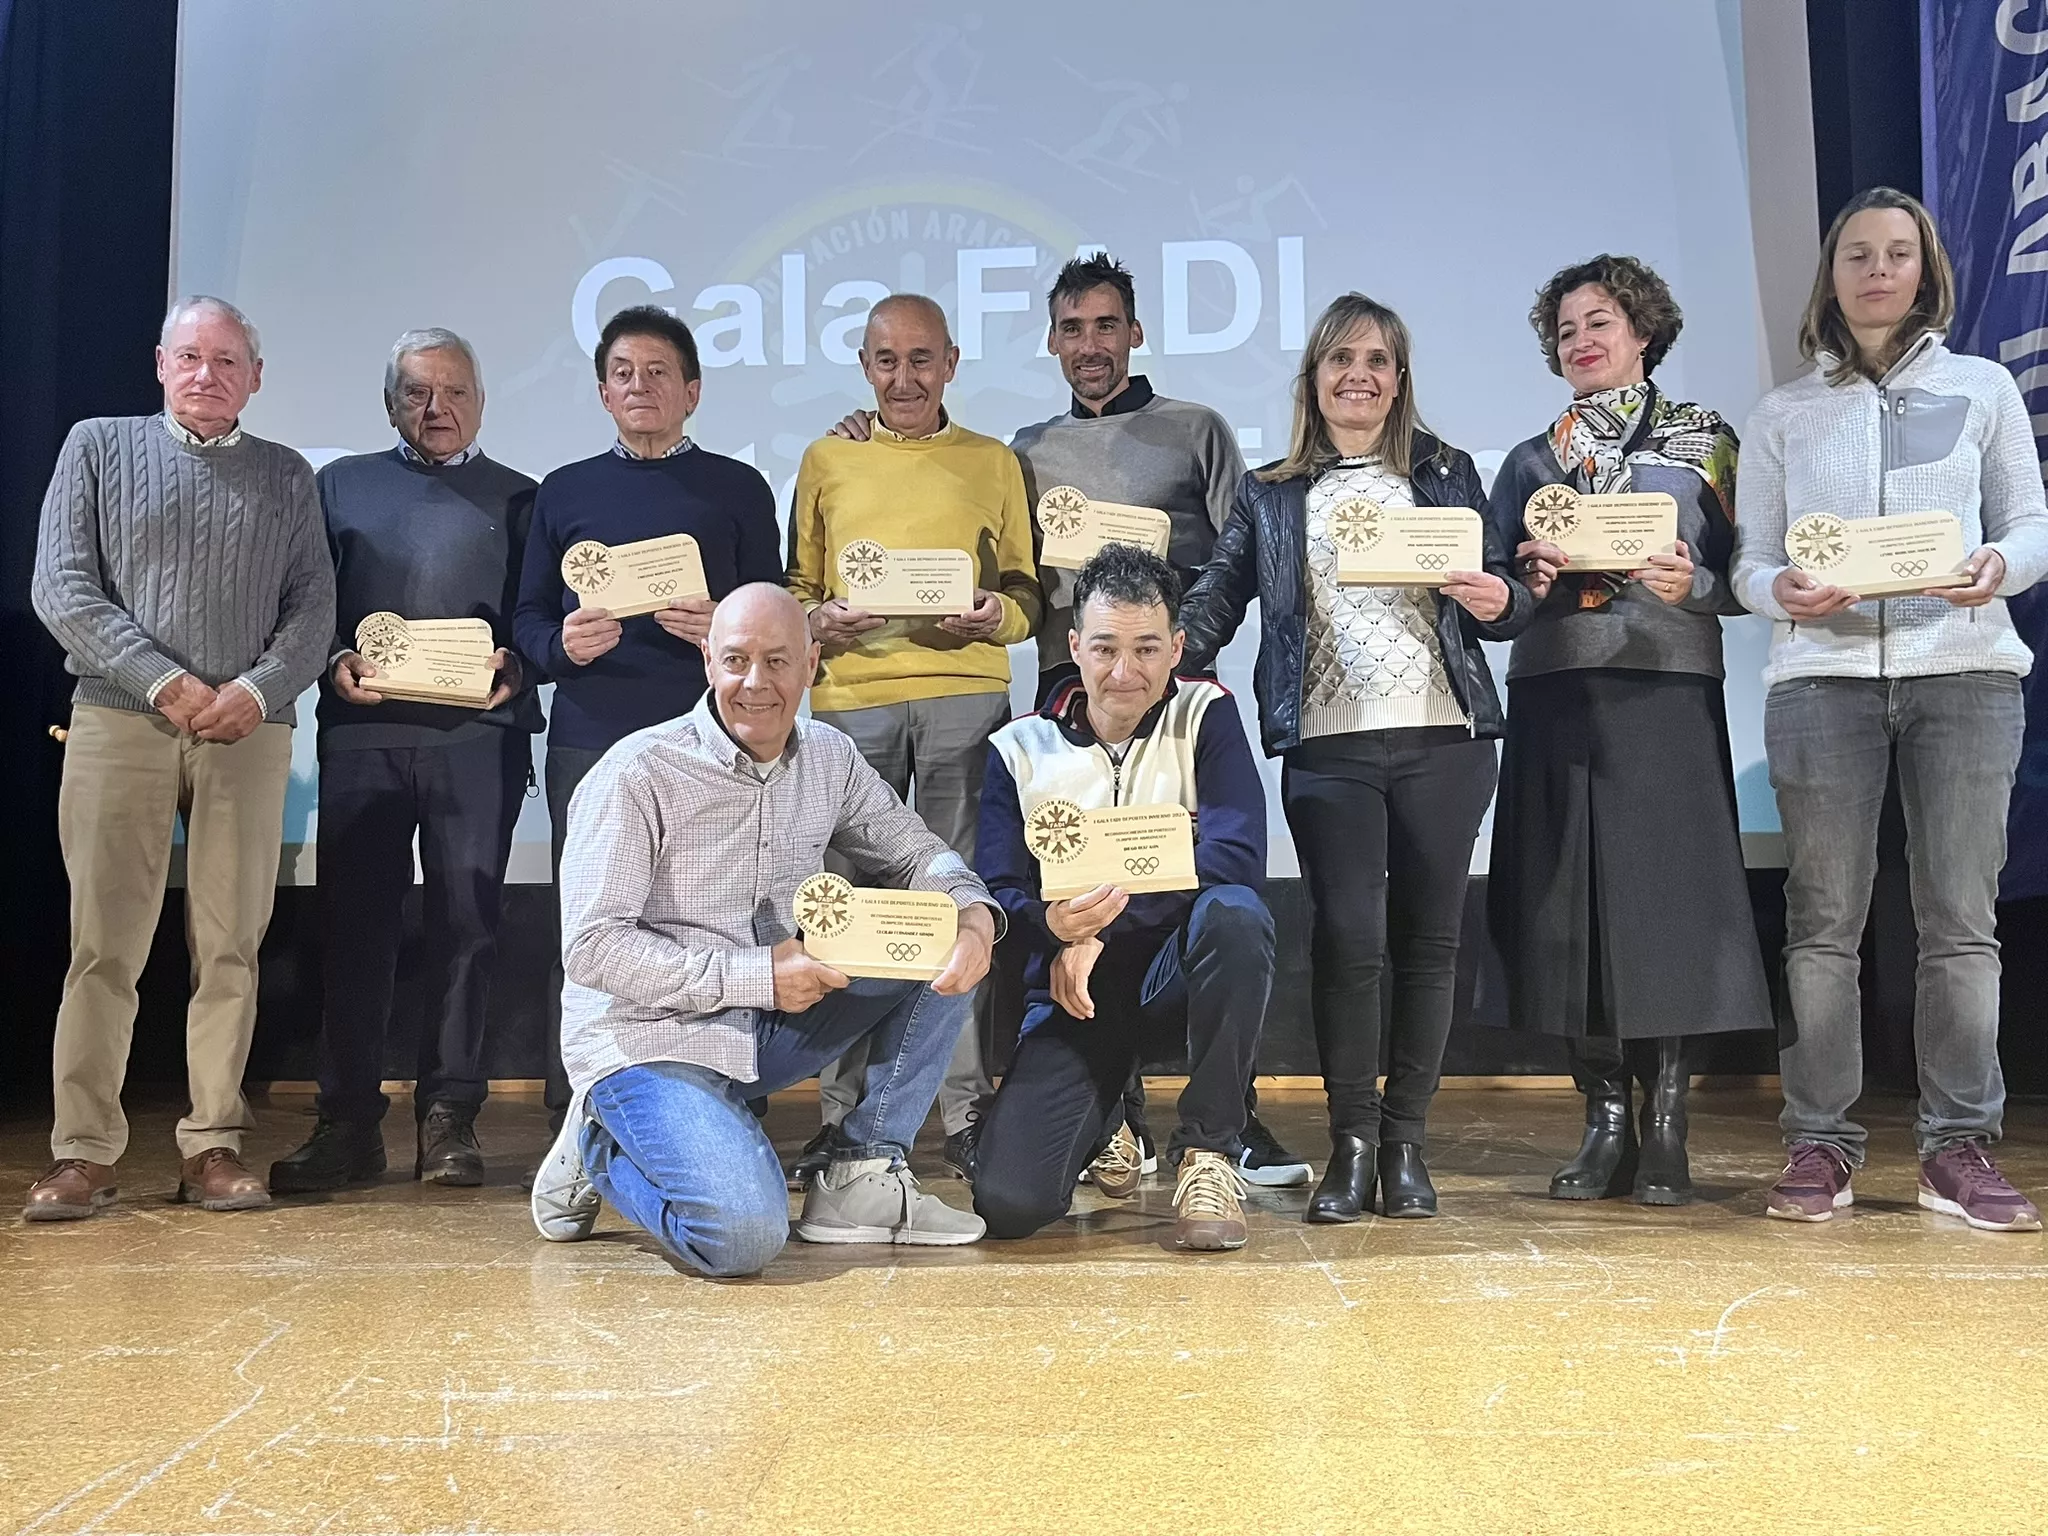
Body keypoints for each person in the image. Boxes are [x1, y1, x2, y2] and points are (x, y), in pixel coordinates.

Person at [1179, 293, 1533, 1223]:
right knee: (1347, 947)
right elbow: (1218, 596)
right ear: (1314, 380)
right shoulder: (1271, 492)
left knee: (1431, 945)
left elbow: (1507, 597)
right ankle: (1352, 1147)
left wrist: (1503, 601)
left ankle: (1407, 1149)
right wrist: (1156, 650)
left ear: (1400, 377)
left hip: (1444, 739)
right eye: (1340, 359)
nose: (1358, 376)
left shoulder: (1450, 473)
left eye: (1377, 359)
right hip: (1329, 746)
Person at [1733, 187, 2048, 1231]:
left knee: (1958, 922)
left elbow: (2029, 520)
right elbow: (1751, 559)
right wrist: (1777, 591)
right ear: (1829, 274)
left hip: (1961, 673)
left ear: (1924, 270)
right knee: (1822, 925)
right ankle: (1817, 1144)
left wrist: (1997, 566)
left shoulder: (1982, 386)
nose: (1876, 270)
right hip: (1819, 681)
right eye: (1856, 254)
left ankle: (1954, 1148)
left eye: (1896, 253)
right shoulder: (1783, 410)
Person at [528, 585, 1000, 1276]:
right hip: (650, 1038)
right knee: (744, 1238)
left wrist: (972, 910)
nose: (756, 682)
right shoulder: (637, 773)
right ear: (707, 662)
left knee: (941, 933)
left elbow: (912, 851)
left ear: (811, 664)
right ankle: (602, 1144)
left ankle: (860, 1176)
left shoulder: (829, 757)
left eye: (777, 661)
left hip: (769, 1024)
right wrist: (758, 975)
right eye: (737, 660)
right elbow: (593, 948)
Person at [25, 296, 335, 1220]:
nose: (209, 374)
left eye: (229, 360)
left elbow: (314, 606)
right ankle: (81, 1153)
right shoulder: (96, 445)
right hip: (121, 720)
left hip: (247, 729)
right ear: (161, 364)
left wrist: (252, 693)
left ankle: (212, 1145)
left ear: (256, 377)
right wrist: (165, 683)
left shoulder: (285, 475)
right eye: (192, 357)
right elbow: (62, 586)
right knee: (102, 949)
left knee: (230, 947)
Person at [1484, 257, 1771, 1207]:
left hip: (1665, 685)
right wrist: (1519, 591)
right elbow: (1500, 607)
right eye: (1565, 331)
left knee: (1668, 910)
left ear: (1644, 330)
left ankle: (1668, 1120)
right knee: (1566, 910)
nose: (1582, 341)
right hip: (1558, 689)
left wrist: (1705, 586)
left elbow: (1748, 573)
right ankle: (1605, 1114)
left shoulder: (1706, 444)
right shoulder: (1530, 461)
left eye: (1598, 321)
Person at [269, 329, 541, 1195]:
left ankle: (449, 1117)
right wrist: (332, 658)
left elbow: (534, 621)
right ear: (390, 403)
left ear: (481, 401)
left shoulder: (523, 499)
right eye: (419, 393)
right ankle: (347, 1122)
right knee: (357, 933)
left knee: (469, 928)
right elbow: (304, 603)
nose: (438, 409)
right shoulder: (337, 485)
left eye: (455, 391)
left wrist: (519, 666)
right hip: (365, 737)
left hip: (476, 741)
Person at [785, 293, 1043, 1186]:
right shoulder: (828, 457)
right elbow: (797, 587)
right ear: (865, 367)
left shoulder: (993, 461)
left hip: (965, 702)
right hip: (849, 706)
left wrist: (993, 616)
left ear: (953, 363)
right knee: (846, 913)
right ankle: (843, 1117)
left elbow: (1027, 595)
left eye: (922, 359)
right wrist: (820, 622)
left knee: (959, 907)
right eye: (887, 360)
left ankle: (965, 1112)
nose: (904, 378)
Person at [515, 306, 782, 1157]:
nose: (641, 385)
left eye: (658, 371)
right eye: (624, 372)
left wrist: (726, 625)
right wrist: (560, 644)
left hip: (713, 743)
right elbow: (524, 620)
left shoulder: (738, 488)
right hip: (591, 738)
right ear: (602, 392)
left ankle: (728, 1089)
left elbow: (774, 612)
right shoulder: (562, 492)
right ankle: (585, 1102)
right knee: (593, 925)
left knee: (720, 916)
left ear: (692, 390)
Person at [972, 545, 1274, 1250]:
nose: (1124, 672)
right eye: (1105, 648)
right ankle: (1106, 1119)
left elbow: (1234, 858)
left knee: (1235, 915)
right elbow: (997, 891)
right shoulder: (1019, 749)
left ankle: (1209, 1152)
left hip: (1177, 979)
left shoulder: (1207, 715)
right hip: (1075, 996)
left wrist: (1094, 931)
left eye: (1145, 648)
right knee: (1010, 1205)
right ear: (1075, 646)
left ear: (1176, 648)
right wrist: (1049, 927)